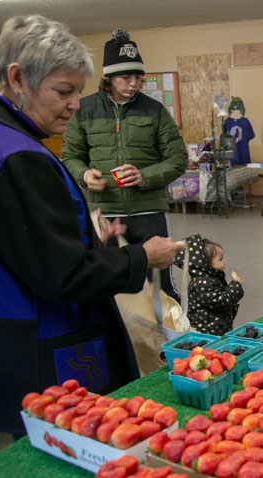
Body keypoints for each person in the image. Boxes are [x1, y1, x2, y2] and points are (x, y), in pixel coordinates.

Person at [0, 15, 184, 434]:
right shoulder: (19, 157)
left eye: (77, 91)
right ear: (17, 78)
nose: (74, 104)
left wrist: (89, 237)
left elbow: (25, 242)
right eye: (62, 91)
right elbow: (63, 274)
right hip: (38, 342)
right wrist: (141, 257)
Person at [62, 29, 187, 303]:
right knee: (108, 284)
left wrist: (145, 176)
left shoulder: (154, 110)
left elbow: (178, 158)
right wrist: (84, 174)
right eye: (125, 77)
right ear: (108, 78)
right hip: (104, 215)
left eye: (138, 77)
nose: (133, 84)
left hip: (149, 212)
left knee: (159, 284)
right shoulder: (83, 110)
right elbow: (69, 156)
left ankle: (167, 339)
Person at [174, 235, 244, 335]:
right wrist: (235, 287)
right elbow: (222, 301)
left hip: (216, 328)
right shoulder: (203, 284)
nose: (224, 262)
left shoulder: (210, 279)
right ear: (205, 264)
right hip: (208, 333)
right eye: (220, 259)